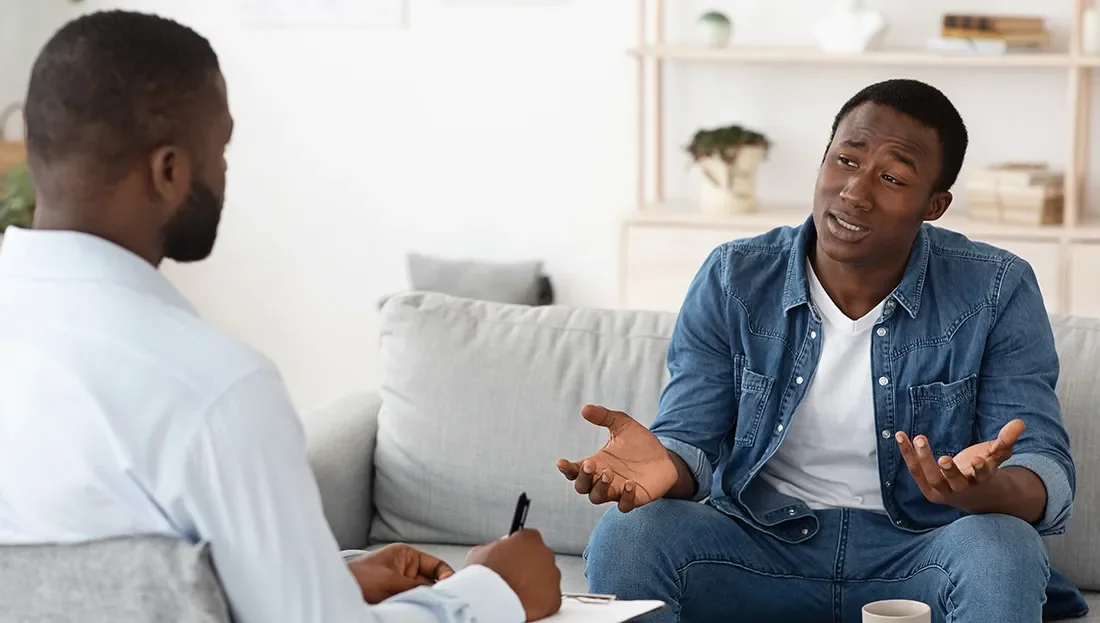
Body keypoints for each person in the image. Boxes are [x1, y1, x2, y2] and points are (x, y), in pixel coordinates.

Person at [0, 10, 561, 623]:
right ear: (168, 172)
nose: (223, 173)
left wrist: (320, 578)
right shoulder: (213, 390)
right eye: (220, 148)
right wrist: (493, 592)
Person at [558, 79, 1086, 623]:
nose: (855, 192)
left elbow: (1041, 465)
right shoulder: (733, 277)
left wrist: (985, 490)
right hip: (758, 546)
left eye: (892, 177)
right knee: (630, 534)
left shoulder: (996, 289)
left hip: (920, 553)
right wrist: (667, 464)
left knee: (1002, 548)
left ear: (935, 204)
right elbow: (693, 442)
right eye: (846, 161)